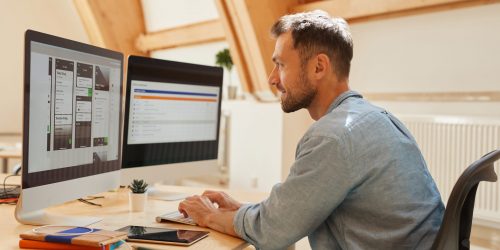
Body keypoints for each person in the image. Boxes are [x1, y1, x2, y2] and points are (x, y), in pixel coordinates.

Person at [179, 10, 444, 249]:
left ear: (319, 66)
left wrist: (209, 215)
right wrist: (241, 210)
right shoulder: (378, 118)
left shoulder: (333, 137)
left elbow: (273, 232)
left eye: (281, 64)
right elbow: (290, 214)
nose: (272, 78)